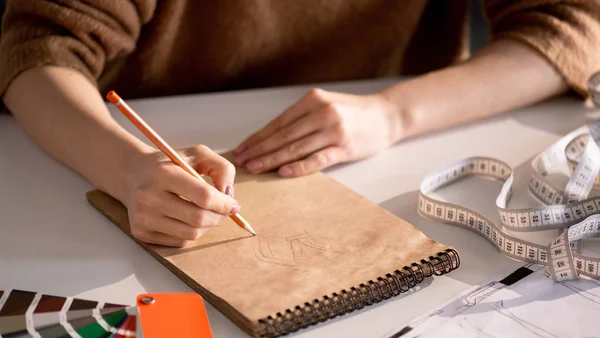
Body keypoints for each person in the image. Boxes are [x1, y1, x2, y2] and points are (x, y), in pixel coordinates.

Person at [0, 1, 599, 247]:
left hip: (394, 145)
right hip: (114, 172)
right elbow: (36, 49)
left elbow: (575, 24)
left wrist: (396, 112)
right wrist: (126, 166)